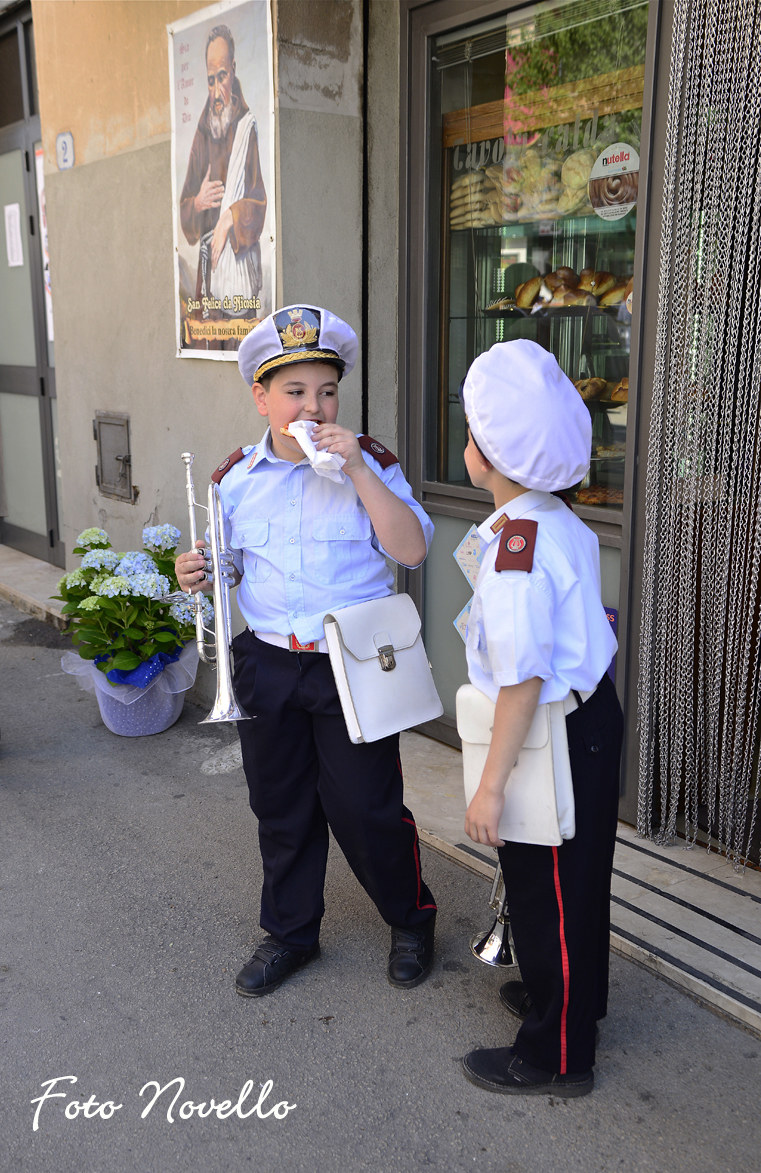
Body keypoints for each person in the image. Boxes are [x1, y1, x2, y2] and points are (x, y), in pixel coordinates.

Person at [175, 303, 436, 997]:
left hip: (350, 661)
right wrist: (198, 569)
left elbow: (409, 549)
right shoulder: (234, 478)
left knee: (366, 808)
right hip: (267, 660)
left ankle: (411, 917)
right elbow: (230, 569)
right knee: (280, 806)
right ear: (260, 398)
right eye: (294, 391)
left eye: (326, 391)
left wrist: (355, 471)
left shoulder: (369, 464)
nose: (312, 406)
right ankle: (290, 931)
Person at [458, 339, 622, 1098]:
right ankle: (573, 1004)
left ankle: (556, 1055)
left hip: (549, 727)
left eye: (470, 434)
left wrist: (489, 788)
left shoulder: (514, 552)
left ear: (487, 456)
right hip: (586, 720)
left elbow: (520, 682)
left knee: (546, 886)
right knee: (577, 879)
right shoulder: (552, 519)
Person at [179, 23, 267, 342]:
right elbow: (184, 210)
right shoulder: (202, 131)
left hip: (239, 289)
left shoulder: (247, 126)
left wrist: (231, 216)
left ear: (233, 69)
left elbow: (259, 201)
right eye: (210, 80)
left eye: (223, 77)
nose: (217, 91)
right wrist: (198, 202)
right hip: (208, 289)